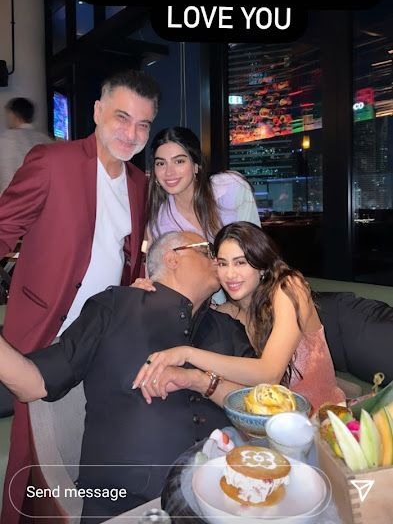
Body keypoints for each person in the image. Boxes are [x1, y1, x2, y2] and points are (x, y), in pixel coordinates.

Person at [0, 231, 252, 524]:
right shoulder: (115, 306)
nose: (218, 261)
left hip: (231, 500)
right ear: (173, 258)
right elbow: (34, 383)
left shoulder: (227, 328)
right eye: (207, 251)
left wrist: (198, 379)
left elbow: (259, 409)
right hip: (130, 507)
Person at [0, 69, 159, 524]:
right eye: (122, 118)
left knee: (86, 438)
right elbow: (4, 227)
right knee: (32, 456)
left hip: (100, 335)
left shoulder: (139, 184)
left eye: (143, 125)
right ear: (97, 112)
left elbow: (126, 254)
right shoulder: (52, 162)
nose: (131, 134)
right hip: (44, 326)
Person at [133, 222, 345, 413]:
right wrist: (150, 290)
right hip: (269, 421)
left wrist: (187, 354)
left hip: (322, 420)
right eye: (223, 264)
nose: (230, 274)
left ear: (261, 265)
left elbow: (269, 373)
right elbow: (181, 312)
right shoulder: (227, 312)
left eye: (240, 262)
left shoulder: (289, 288)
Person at [147, 126, 260, 242]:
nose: (169, 172)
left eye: (179, 161)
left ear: (196, 166)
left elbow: (253, 247)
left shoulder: (231, 188)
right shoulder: (160, 222)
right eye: (161, 163)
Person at [0, 97, 51, 194]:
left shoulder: (7, 138)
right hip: (41, 199)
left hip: (14, 201)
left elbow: (7, 178)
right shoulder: (45, 139)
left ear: (13, 114)